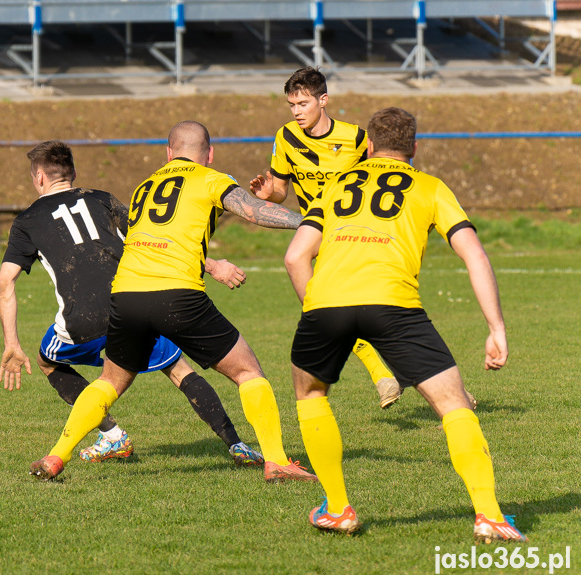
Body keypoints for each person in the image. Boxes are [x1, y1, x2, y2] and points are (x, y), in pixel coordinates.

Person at [284, 107, 526, 543]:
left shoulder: (338, 184)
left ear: (369, 147)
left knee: (311, 393)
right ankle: (489, 514)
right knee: (454, 405)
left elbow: (295, 256)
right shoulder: (430, 186)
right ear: (414, 148)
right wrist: (497, 327)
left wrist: (316, 311)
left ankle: (338, 507)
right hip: (394, 306)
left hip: (326, 305)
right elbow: (473, 253)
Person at [30, 121, 318, 484]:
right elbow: (252, 211)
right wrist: (312, 222)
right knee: (248, 372)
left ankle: (56, 456)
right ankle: (276, 462)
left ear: (168, 153)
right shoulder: (211, 178)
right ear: (209, 154)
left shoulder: (144, 187)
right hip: (178, 294)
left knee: (110, 381)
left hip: (126, 295)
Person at [0, 139, 264, 467]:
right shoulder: (102, 199)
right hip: (133, 303)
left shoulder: (27, 220)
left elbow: (5, 283)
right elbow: (155, 240)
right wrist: (214, 266)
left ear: (38, 178)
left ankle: (112, 436)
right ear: (74, 173)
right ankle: (236, 444)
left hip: (81, 320)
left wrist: (12, 342)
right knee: (179, 369)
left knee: (48, 362)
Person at [249, 67, 404, 410]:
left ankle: (425, 380)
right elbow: (281, 191)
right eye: (292, 104)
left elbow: (390, 174)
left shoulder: (356, 138)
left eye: (303, 103)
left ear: (323, 100)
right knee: (327, 305)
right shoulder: (286, 137)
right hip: (317, 229)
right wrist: (267, 192)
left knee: (373, 309)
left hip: (354, 231)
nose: (297, 111)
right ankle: (387, 376)